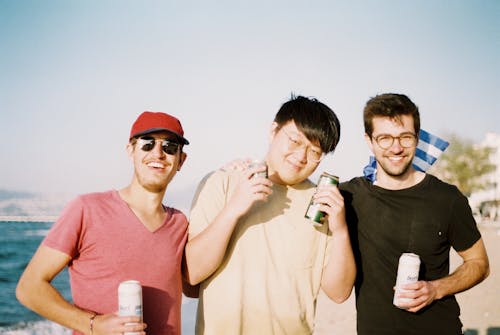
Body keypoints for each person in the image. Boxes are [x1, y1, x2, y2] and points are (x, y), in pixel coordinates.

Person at [185, 95, 356, 335]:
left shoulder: (321, 205)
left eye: (315, 151)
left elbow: (339, 293)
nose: (301, 156)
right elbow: (192, 273)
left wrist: (340, 230)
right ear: (273, 131)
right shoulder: (223, 182)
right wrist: (234, 209)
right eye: (295, 141)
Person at [16, 111, 195, 335]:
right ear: (131, 151)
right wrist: (93, 324)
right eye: (147, 144)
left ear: (181, 160)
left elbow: (194, 288)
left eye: (170, 146)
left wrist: (233, 207)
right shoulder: (86, 209)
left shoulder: (180, 223)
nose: (158, 153)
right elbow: (29, 288)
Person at [340, 93, 490, 335]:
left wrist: (437, 289)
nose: (396, 148)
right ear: (369, 140)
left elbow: (479, 263)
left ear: (417, 139)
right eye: (385, 138)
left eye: (405, 137)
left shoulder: (447, 199)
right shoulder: (348, 197)